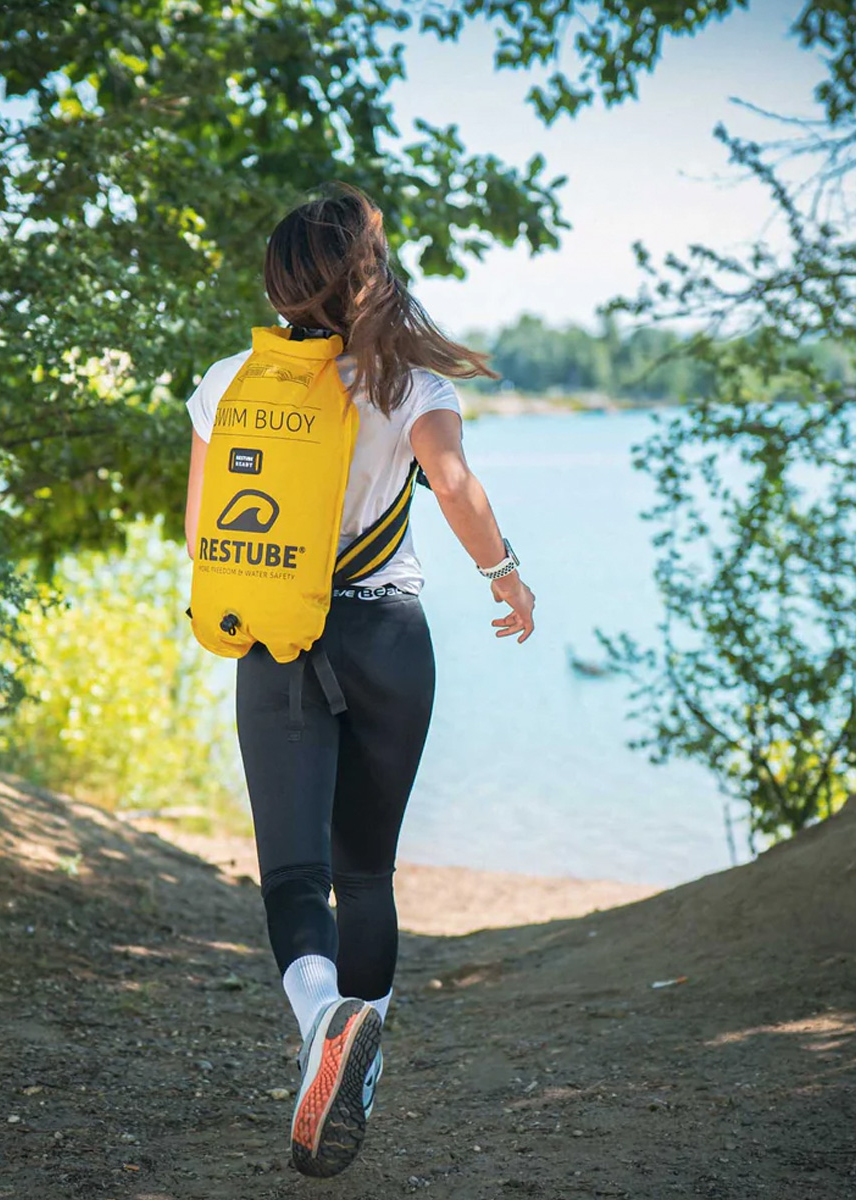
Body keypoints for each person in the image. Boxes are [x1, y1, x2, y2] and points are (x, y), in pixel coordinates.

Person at [183, 184, 536, 1178]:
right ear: (371, 275)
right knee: (366, 872)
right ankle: (358, 1064)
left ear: (279, 284)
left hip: (280, 642)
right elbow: (453, 484)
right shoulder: (410, 382)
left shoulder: (229, 383)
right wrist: (507, 577)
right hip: (389, 639)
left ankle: (321, 1023)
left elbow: (203, 532)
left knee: (295, 877)